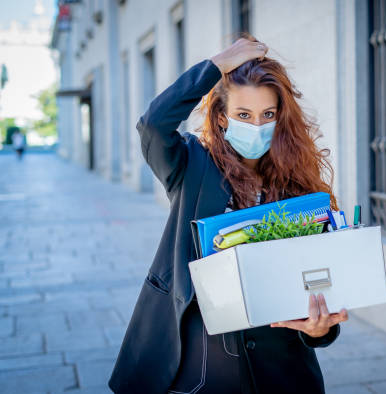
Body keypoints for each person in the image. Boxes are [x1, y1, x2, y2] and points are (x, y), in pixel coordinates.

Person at [108, 35, 349, 394]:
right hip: (203, 363)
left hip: (279, 364)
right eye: (243, 115)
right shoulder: (191, 165)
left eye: (268, 115)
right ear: (222, 118)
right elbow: (153, 125)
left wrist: (321, 329)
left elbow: (317, 281)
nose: (256, 126)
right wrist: (216, 66)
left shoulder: (300, 184)